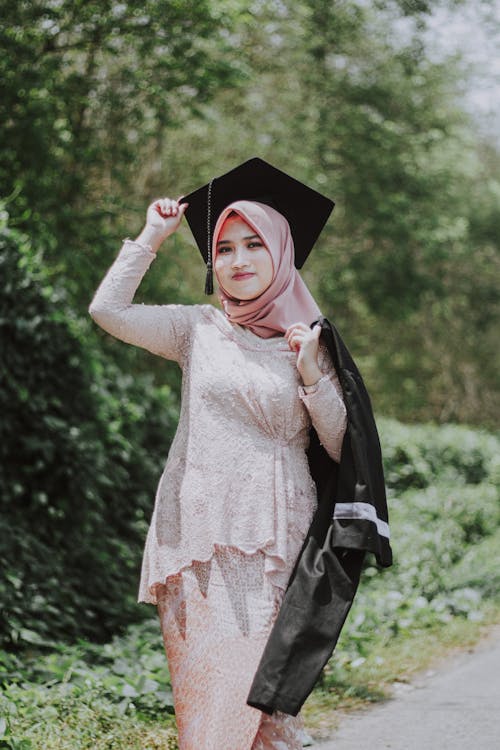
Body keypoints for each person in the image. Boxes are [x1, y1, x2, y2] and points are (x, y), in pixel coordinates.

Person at [89, 159, 392, 748]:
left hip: (279, 546)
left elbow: (340, 447)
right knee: (209, 716)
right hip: (196, 540)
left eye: (254, 244)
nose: (239, 260)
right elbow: (108, 311)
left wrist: (310, 375)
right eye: (224, 249)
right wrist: (151, 237)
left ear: (282, 252)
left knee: (266, 717)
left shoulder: (311, 341)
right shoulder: (196, 330)